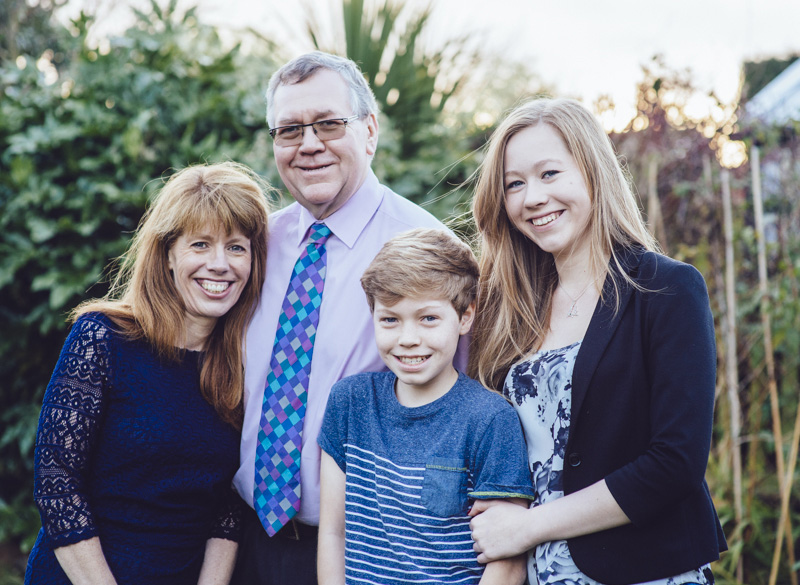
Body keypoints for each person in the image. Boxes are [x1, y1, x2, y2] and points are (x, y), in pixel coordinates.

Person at [467, 98, 727, 585]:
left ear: (592, 171)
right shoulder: (508, 310)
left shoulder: (665, 289)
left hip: (646, 572)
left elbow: (675, 463)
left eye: (549, 174)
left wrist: (530, 526)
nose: (532, 198)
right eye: (514, 184)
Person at [231, 52, 450, 585]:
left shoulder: (425, 249)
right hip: (237, 538)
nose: (309, 144)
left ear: (369, 131)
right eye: (289, 130)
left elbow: (454, 405)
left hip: (358, 554)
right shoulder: (255, 245)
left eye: (329, 123)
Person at [24, 162, 270, 585]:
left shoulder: (247, 361)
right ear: (168, 254)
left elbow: (229, 504)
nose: (219, 264)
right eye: (200, 244)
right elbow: (56, 479)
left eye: (236, 247)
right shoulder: (103, 338)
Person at [316, 228, 535, 585]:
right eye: (390, 319)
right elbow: (333, 533)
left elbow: (507, 564)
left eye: (428, 318)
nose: (407, 339)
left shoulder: (490, 420)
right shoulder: (350, 402)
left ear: (464, 318)